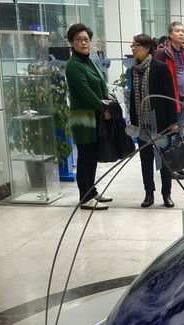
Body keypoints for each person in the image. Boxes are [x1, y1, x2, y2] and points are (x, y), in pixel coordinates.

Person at [65, 23, 112, 211]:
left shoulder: (89, 60)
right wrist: (103, 107)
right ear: (72, 42)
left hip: (95, 114)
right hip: (83, 116)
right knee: (86, 157)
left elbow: (101, 83)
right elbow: (86, 91)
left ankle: (91, 191)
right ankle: (84, 197)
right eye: (78, 40)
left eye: (86, 39)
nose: (83, 42)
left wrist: (106, 104)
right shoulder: (73, 65)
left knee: (92, 155)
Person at [127, 34, 176, 208]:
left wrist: (173, 122)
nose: (134, 48)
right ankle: (149, 193)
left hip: (160, 121)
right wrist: (133, 122)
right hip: (142, 123)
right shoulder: (133, 70)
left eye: (137, 45)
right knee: (145, 160)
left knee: (164, 159)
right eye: (133, 45)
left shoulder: (160, 67)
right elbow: (132, 97)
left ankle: (166, 193)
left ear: (148, 48)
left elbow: (170, 96)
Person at [155, 21, 184, 178]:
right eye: (177, 31)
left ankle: (179, 165)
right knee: (170, 134)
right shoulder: (163, 53)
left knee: (180, 133)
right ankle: (169, 168)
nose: (181, 33)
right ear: (170, 34)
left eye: (183, 31)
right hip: (170, 100)